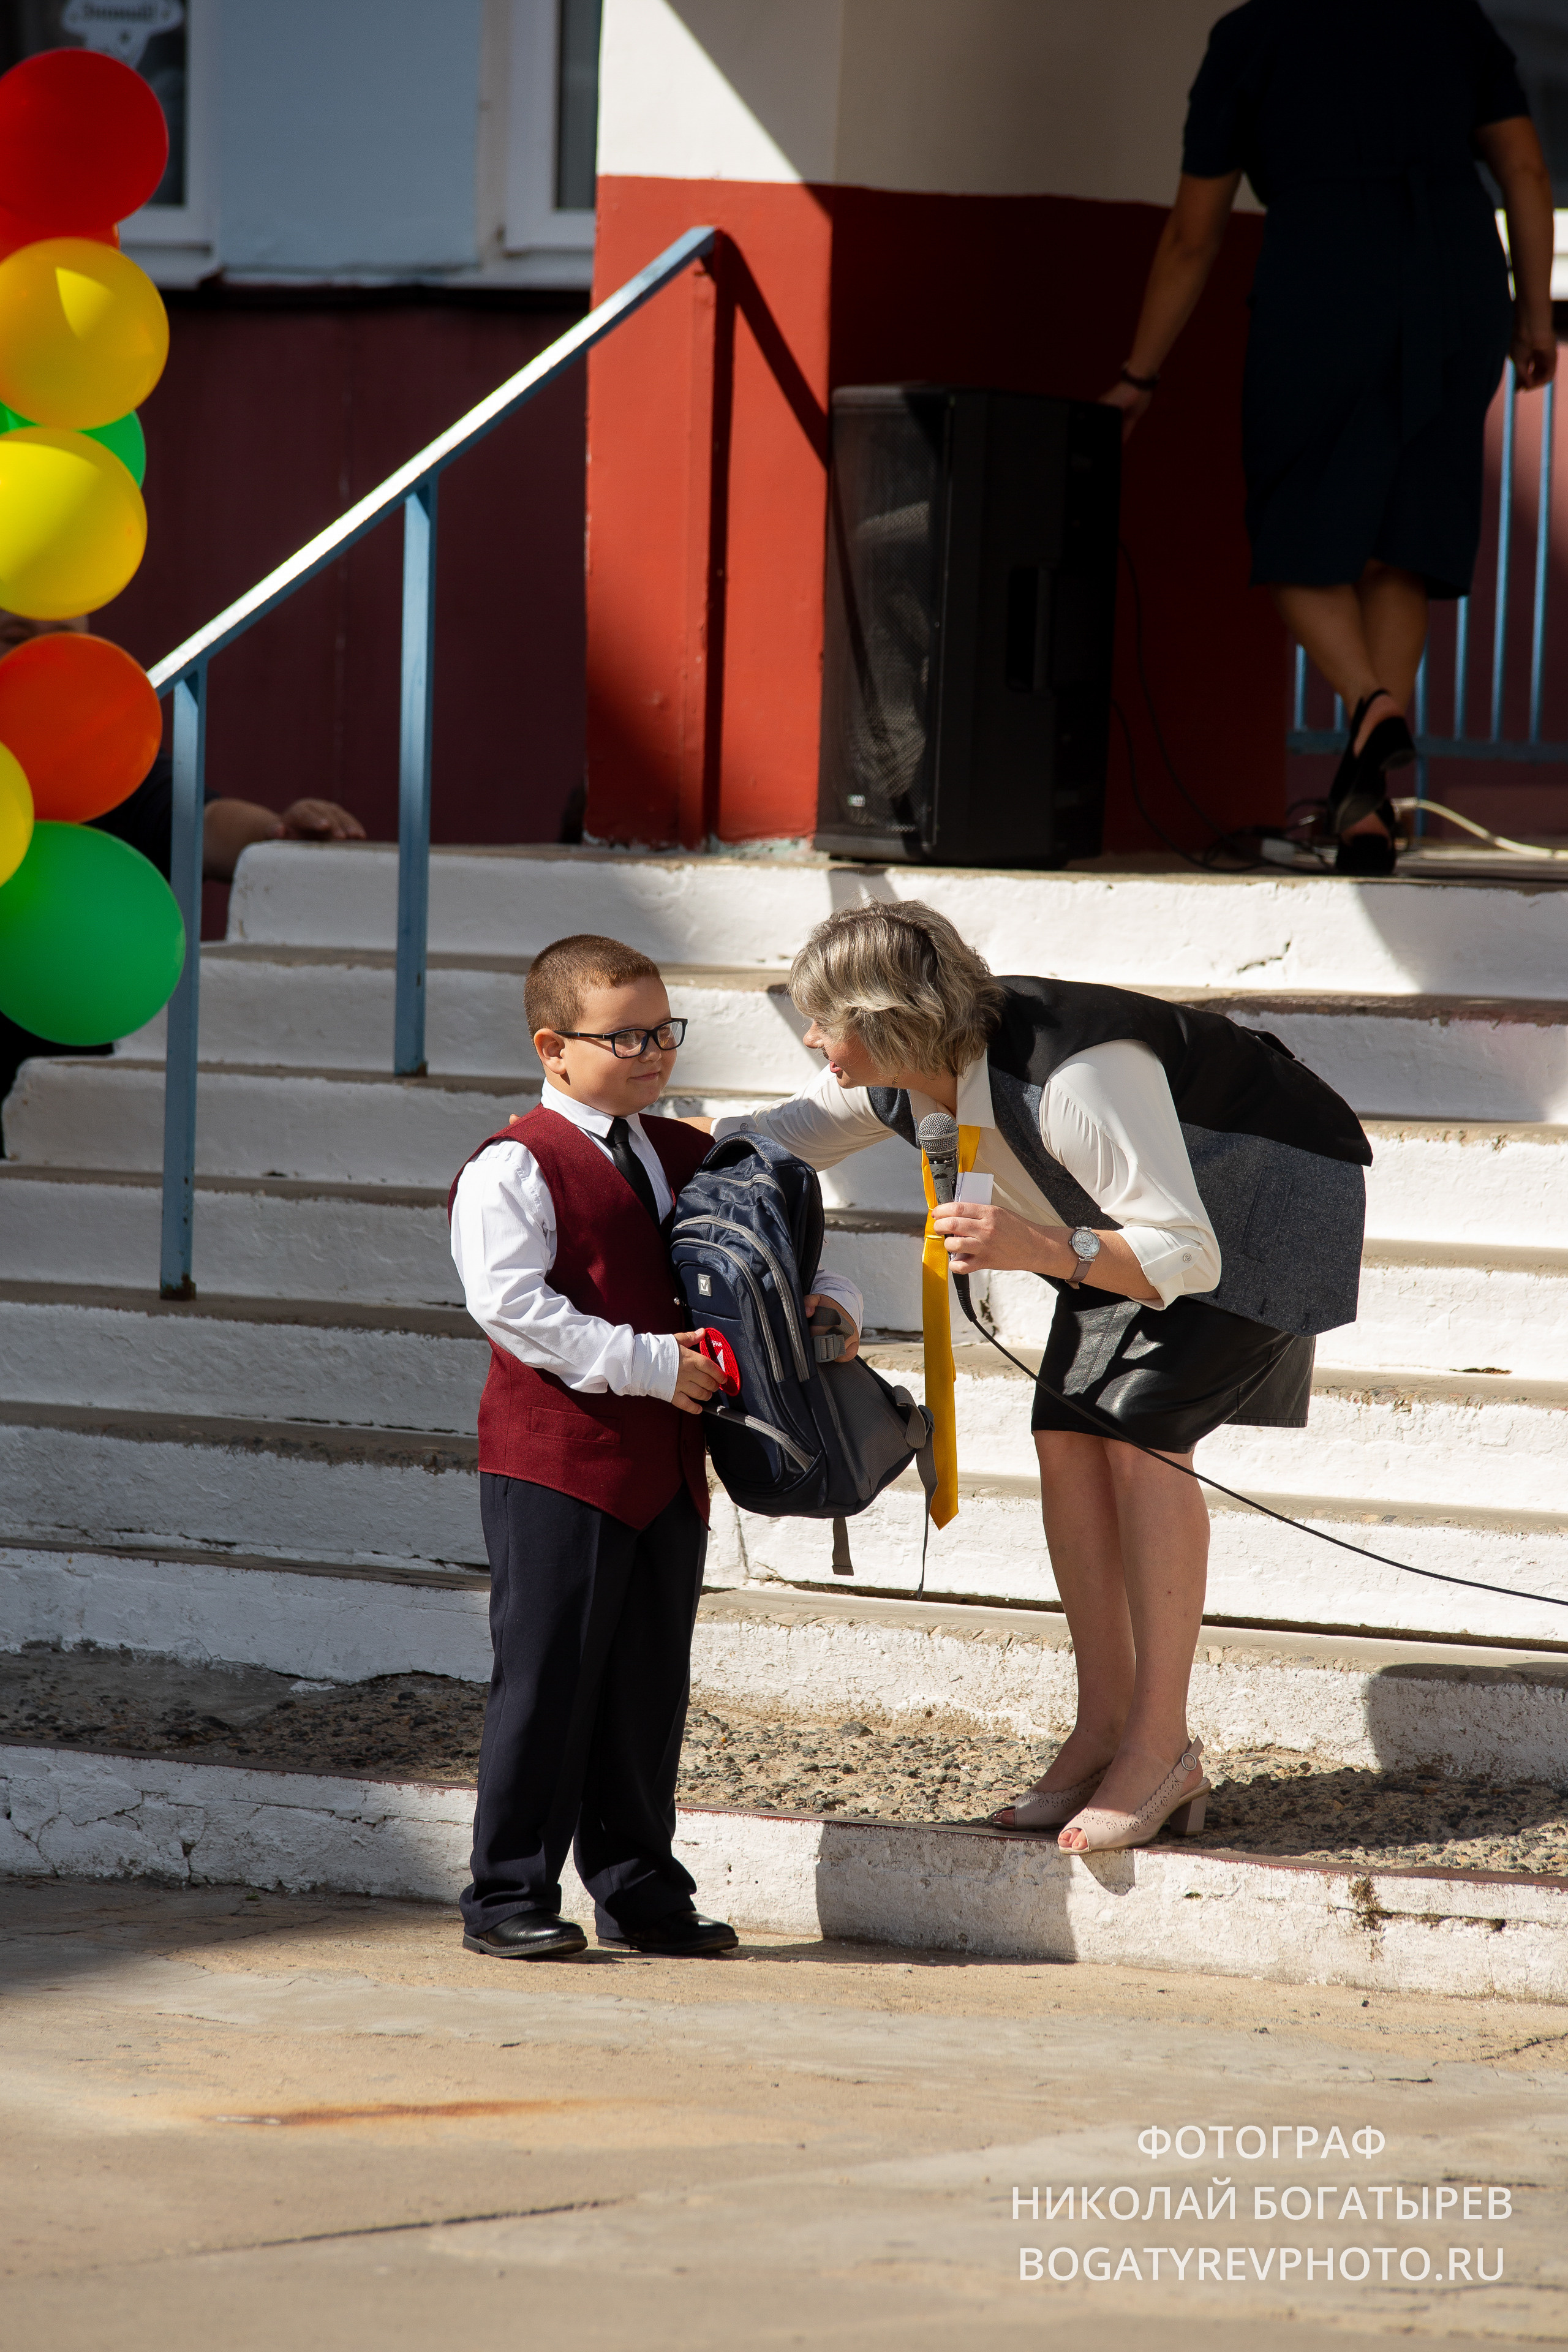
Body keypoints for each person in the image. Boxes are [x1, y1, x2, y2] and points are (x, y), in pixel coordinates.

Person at [700, 900, 1369, 1855]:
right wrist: (626, 1142)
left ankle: (1162, 1746)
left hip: (1257, 1203)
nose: (812, 1040)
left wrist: (1036, 1244)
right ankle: (1102, 1729)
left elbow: (1188, 1253)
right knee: (1065, 1436)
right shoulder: (900, 1076)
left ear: (889, 1019)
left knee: (1143, 1438)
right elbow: (773, 1132)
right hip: (1111, 1230)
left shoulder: (1077, 1084)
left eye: (827, 1020)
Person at [447, 932, 862, 1959]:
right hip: (559, 1463)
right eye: (625, 1037)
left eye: (663, 1030)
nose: (652, 1051)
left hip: (672, 1468)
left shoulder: (687, 1150)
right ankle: (507, 1897)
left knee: (644, 1687)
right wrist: (647, 1365)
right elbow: (510, 1307)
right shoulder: (515, 1164)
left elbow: (778, 1256)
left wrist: (830, 1304)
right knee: (547, 1680)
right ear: (554, 1047)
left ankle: (639, 1891)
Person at [1105, 0, 1556, 873]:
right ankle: (1366, 811)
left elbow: (1193, 235)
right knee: (1403, 544)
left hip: (1325, 275)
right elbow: (1527, 172)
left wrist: (1140, 373)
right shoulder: (1453, 23)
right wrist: (1533, 313)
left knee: (1295, 527)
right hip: (1456, 277)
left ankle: (1370, 700)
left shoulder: (1253, 36)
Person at [0, 608, 364, 1140]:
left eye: (65, 640)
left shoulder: (107, 766)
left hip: (66, 1095)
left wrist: (278, 830)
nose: (43, 660)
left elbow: (202, 820)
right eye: (13, 639)